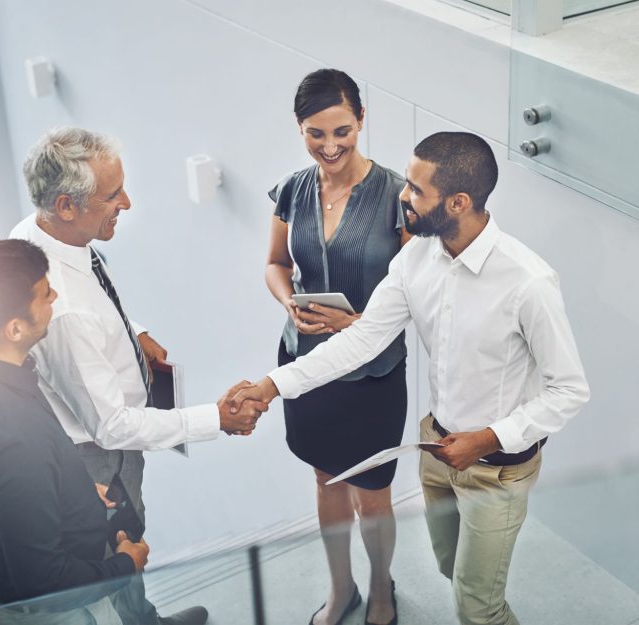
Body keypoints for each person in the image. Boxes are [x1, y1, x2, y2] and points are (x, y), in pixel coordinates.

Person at [232, 132, 591, 625]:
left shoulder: (528, 282)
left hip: (496, 465)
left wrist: (486, 439)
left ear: (458, 202)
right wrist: (272, 386)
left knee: (477, 606)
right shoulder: (415, 259)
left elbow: (569, 390)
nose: (403, 195)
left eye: (417, 190)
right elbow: (361, 340)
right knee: (451, 569)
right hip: (436, 449)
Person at [11, 127, 265, 625]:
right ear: (66, 205)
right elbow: (113, 427)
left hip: (97, 435)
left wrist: (135, 332)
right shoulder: (66, 315)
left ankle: (143, 620)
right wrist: (215, 419)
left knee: (125, 555)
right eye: (112, 195)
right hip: (99, 459)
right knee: (120, 549)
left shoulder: (41, 234)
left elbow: (94, 300)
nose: (125, 202)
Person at [0, 239, 149, 625]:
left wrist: (77, 492)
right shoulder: (16, 444)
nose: (55, 295)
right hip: (63, 611)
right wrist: (124, 566)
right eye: (44, 293)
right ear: (14, 328)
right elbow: (44, 581)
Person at [265, 68, 411, 625]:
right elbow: (277, 264)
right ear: (300, 128)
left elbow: (414, 297)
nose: (329, 147)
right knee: (325, 478)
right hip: (306, 361)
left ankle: (380, 590)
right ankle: (340, 587)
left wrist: (355, 325)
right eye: (315, 133)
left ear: (362, 121)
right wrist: (289, 304)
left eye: (342, 132)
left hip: (371, 372)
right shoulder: (292, 189)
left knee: (371, 492)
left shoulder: (399, 196)